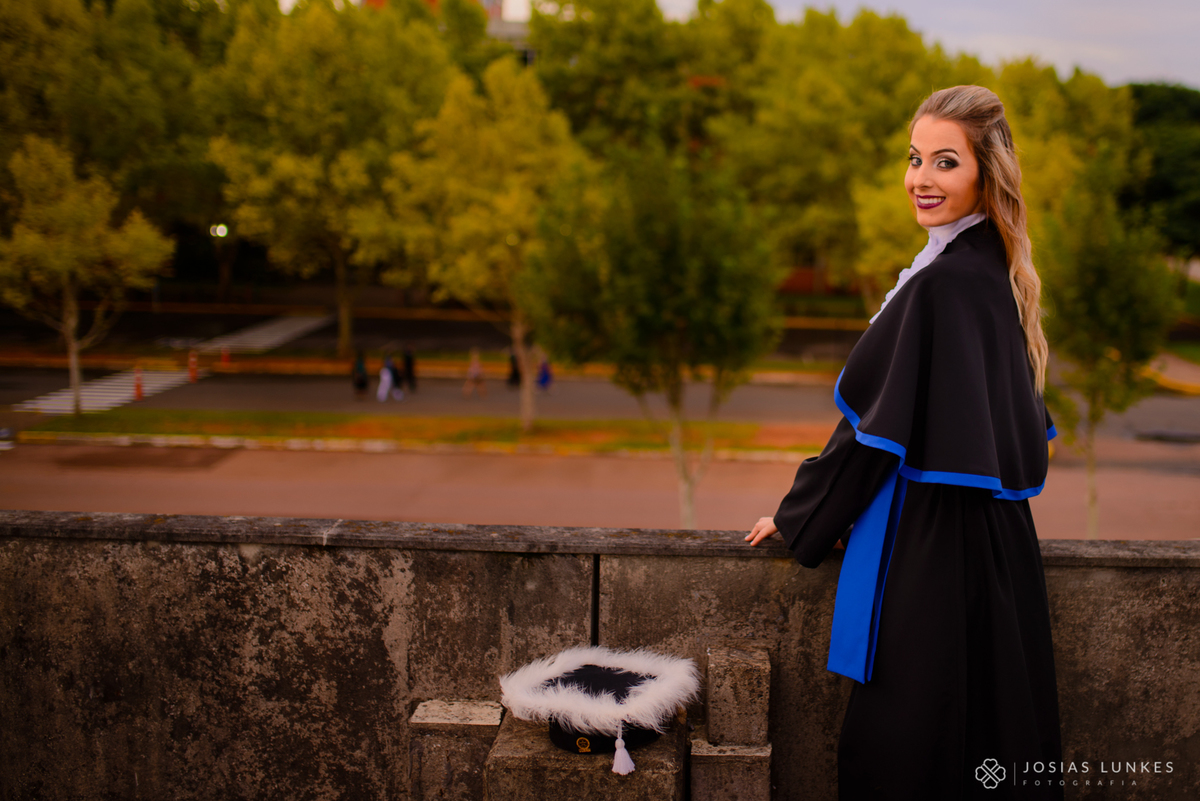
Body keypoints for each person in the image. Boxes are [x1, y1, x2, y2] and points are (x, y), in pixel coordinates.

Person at [746, 86, 1062, 799]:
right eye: (915, 158)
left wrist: (802, 517)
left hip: (935, 547)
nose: (921, 177)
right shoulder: (988, 270)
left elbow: (871, 434)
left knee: (905, 744)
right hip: (997, 549)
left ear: (986, 173)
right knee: (990, 734)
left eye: (946, 162)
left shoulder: (944, 283)